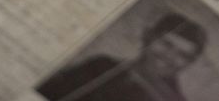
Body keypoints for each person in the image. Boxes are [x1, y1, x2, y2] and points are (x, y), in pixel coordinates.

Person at [37, 13, 207, 101]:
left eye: (183, 55)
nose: (169, 57)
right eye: (166, 44)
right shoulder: (101, 66)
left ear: (190, 63)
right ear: (147, 36)